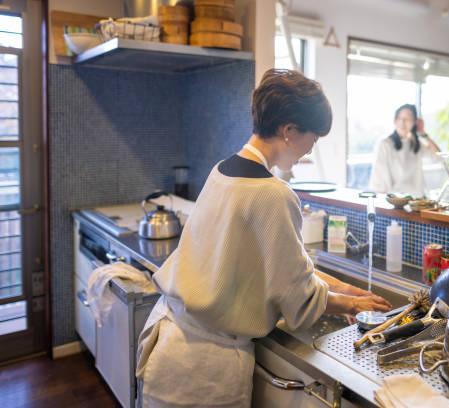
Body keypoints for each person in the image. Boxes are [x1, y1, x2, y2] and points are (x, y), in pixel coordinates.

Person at [135, 69, 392, 408]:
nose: (306, 153)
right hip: (205, 370)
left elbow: (282, 266)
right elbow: (297, 295)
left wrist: (343, 289)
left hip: (170, 345)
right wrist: (352, 304)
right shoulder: (273, 195)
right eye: (312, 140)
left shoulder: (221, 170)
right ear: (288, 131)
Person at [369, 104, 441, 195]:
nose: (402, 122)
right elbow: (378, 182)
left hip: (417, 201)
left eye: (407, 119)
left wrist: (423, 133)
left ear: (414, 122)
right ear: (395, 121)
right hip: (395, 201)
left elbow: (439, 157)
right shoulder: (385, 144)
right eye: (399, 118)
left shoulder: (415, 143)